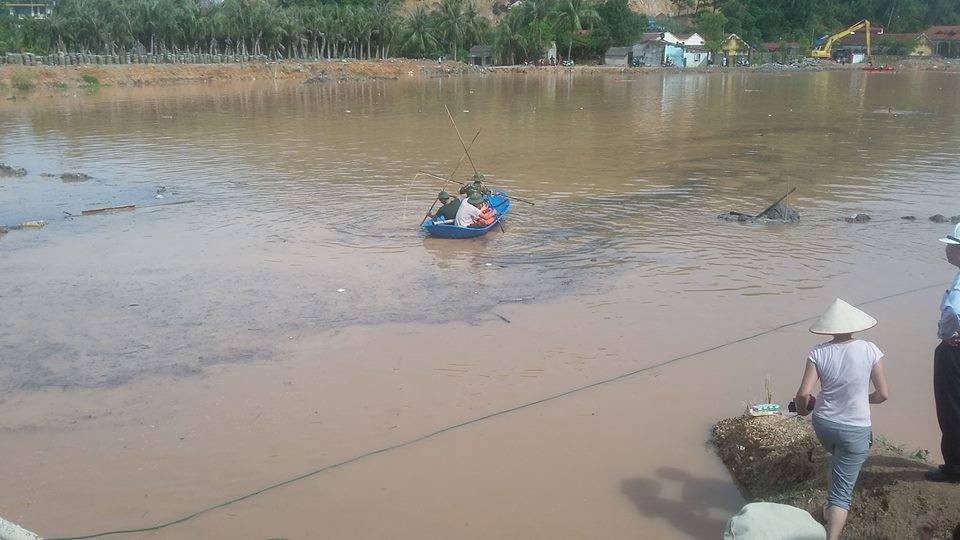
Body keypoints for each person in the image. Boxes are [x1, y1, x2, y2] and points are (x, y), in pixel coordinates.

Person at [793, 298, 889, 540]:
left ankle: (827, 509)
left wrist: (803, 410)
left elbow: (804, 394)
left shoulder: (818, 352)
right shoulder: (870, 349)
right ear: (854, 326)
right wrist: (862, 398)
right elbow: (883, 394)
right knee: (841, 496)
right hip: (854, 428)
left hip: (824, 423)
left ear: (830, 328)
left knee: (837, 455)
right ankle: (832, 533)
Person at [927, 223, 960, 483]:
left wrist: (947, 335)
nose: (947, 250)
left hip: (953, 351)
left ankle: (954, 467)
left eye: (952, 246)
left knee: (951, 408)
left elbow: (952, 312)